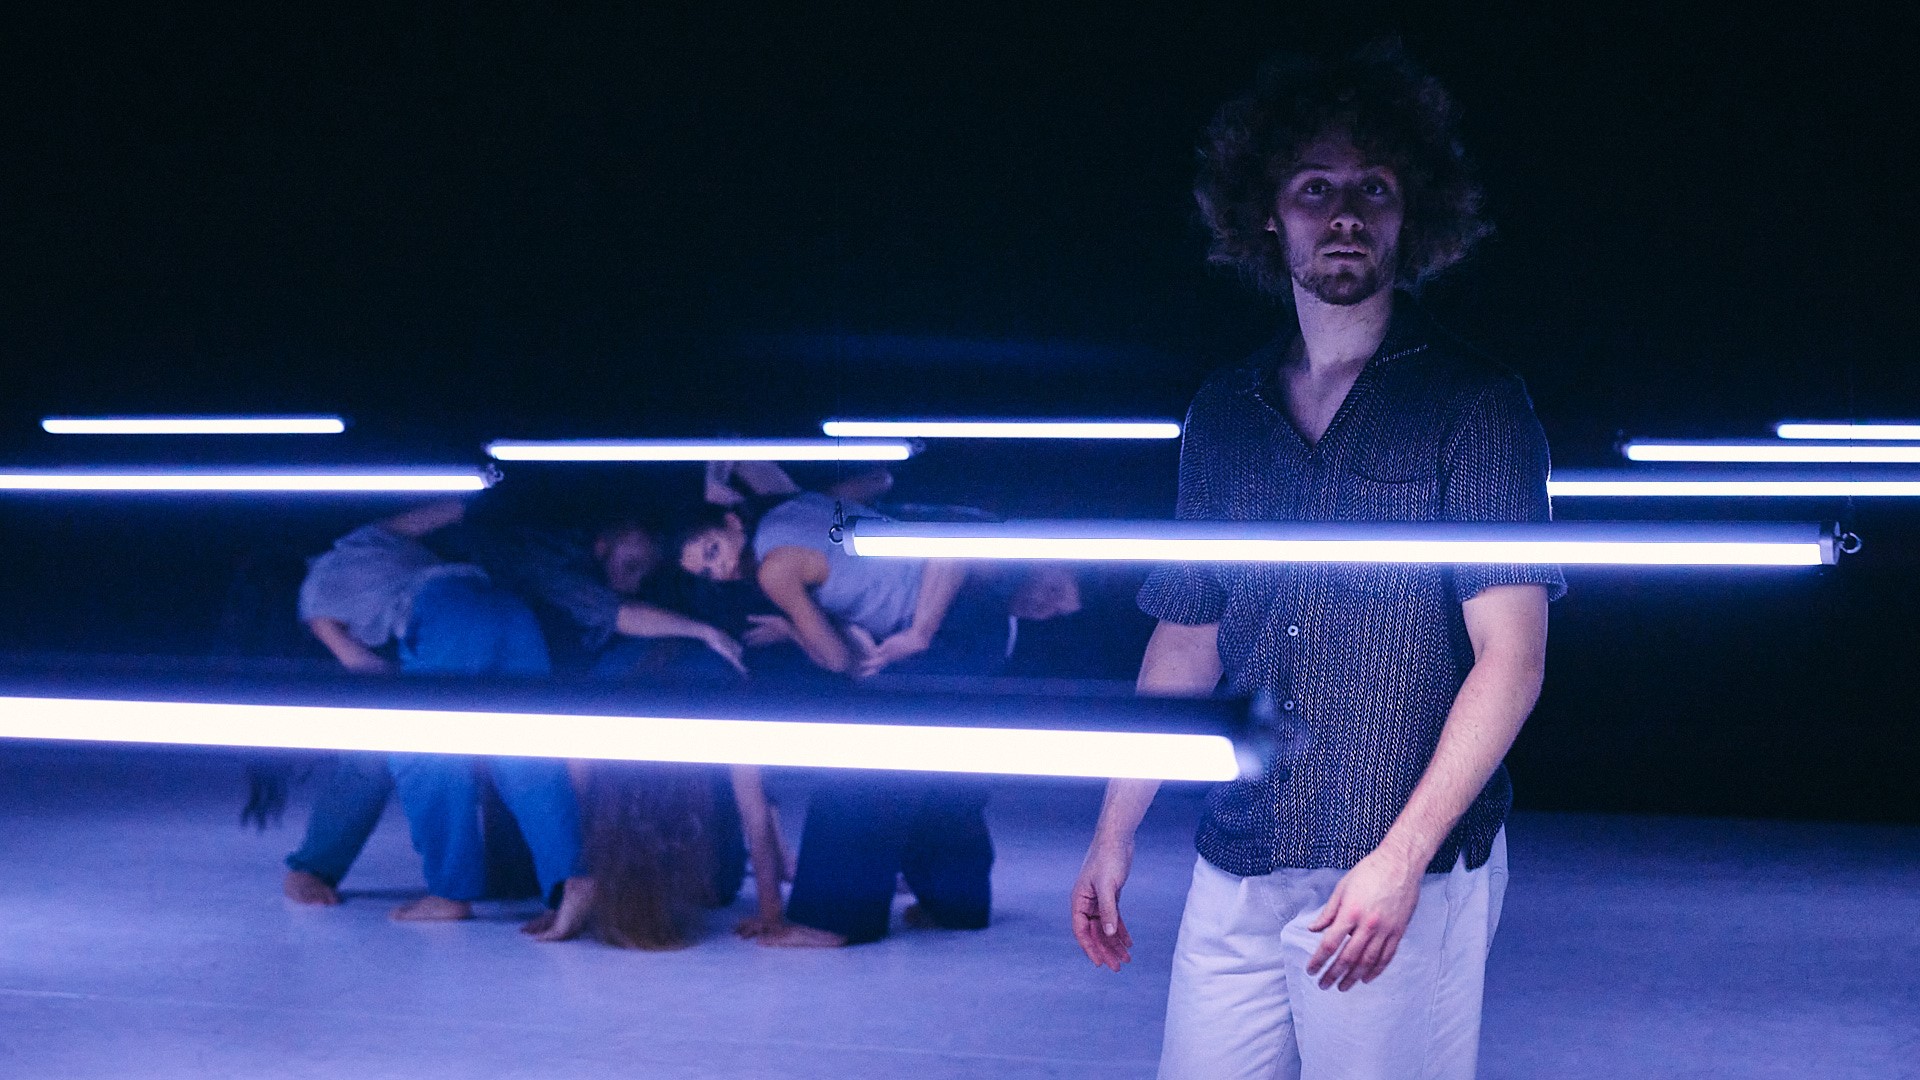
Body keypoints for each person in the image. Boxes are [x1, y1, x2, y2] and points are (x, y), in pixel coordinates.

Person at [1069, 42, 1564, 1079]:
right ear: (1267, 213)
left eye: (1373, 188)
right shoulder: (1224, 411)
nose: (1344, 213)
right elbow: (1188, 634)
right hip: (1241, 851)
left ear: (1410, 212)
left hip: (1400, 869)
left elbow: (1512, 658)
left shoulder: (1475, 406)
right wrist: (1114, 830)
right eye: (1314, 188)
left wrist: (1401, 860)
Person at [675, 491, 1007, 947]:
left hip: (943, 627)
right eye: (707, 572)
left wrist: (793, 630)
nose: (723, 570)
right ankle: (956, 905)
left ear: (733, 524)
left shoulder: (774, 570)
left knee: (857, 767)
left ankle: (832, 921)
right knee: (929, 768)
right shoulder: (792, 509)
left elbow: (836, 659)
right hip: (977, 618)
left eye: (713, 551)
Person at [296, 500, 595, 939]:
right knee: (525, 756)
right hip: (506, 608)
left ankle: (450, 892)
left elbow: (367, 668)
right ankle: (571, 881)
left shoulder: (313, 597)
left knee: (425, 758)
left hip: (444, 615)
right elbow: (456, 509)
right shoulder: (370, 537)